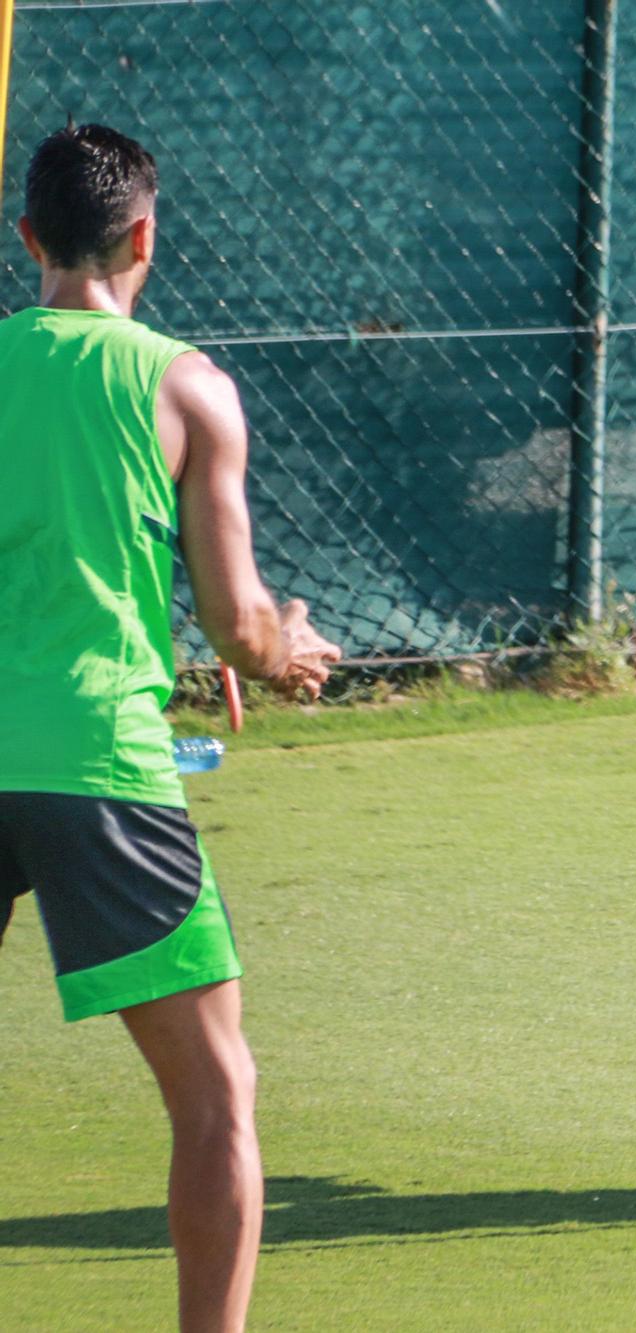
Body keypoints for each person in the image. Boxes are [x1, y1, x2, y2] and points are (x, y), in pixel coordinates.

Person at [0, 124, 340, 1330]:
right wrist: (283, 645)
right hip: (100, 765)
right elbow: (244, 628)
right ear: (145, 236)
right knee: (215, 1098)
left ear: (29, 237)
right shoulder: (187, 385)